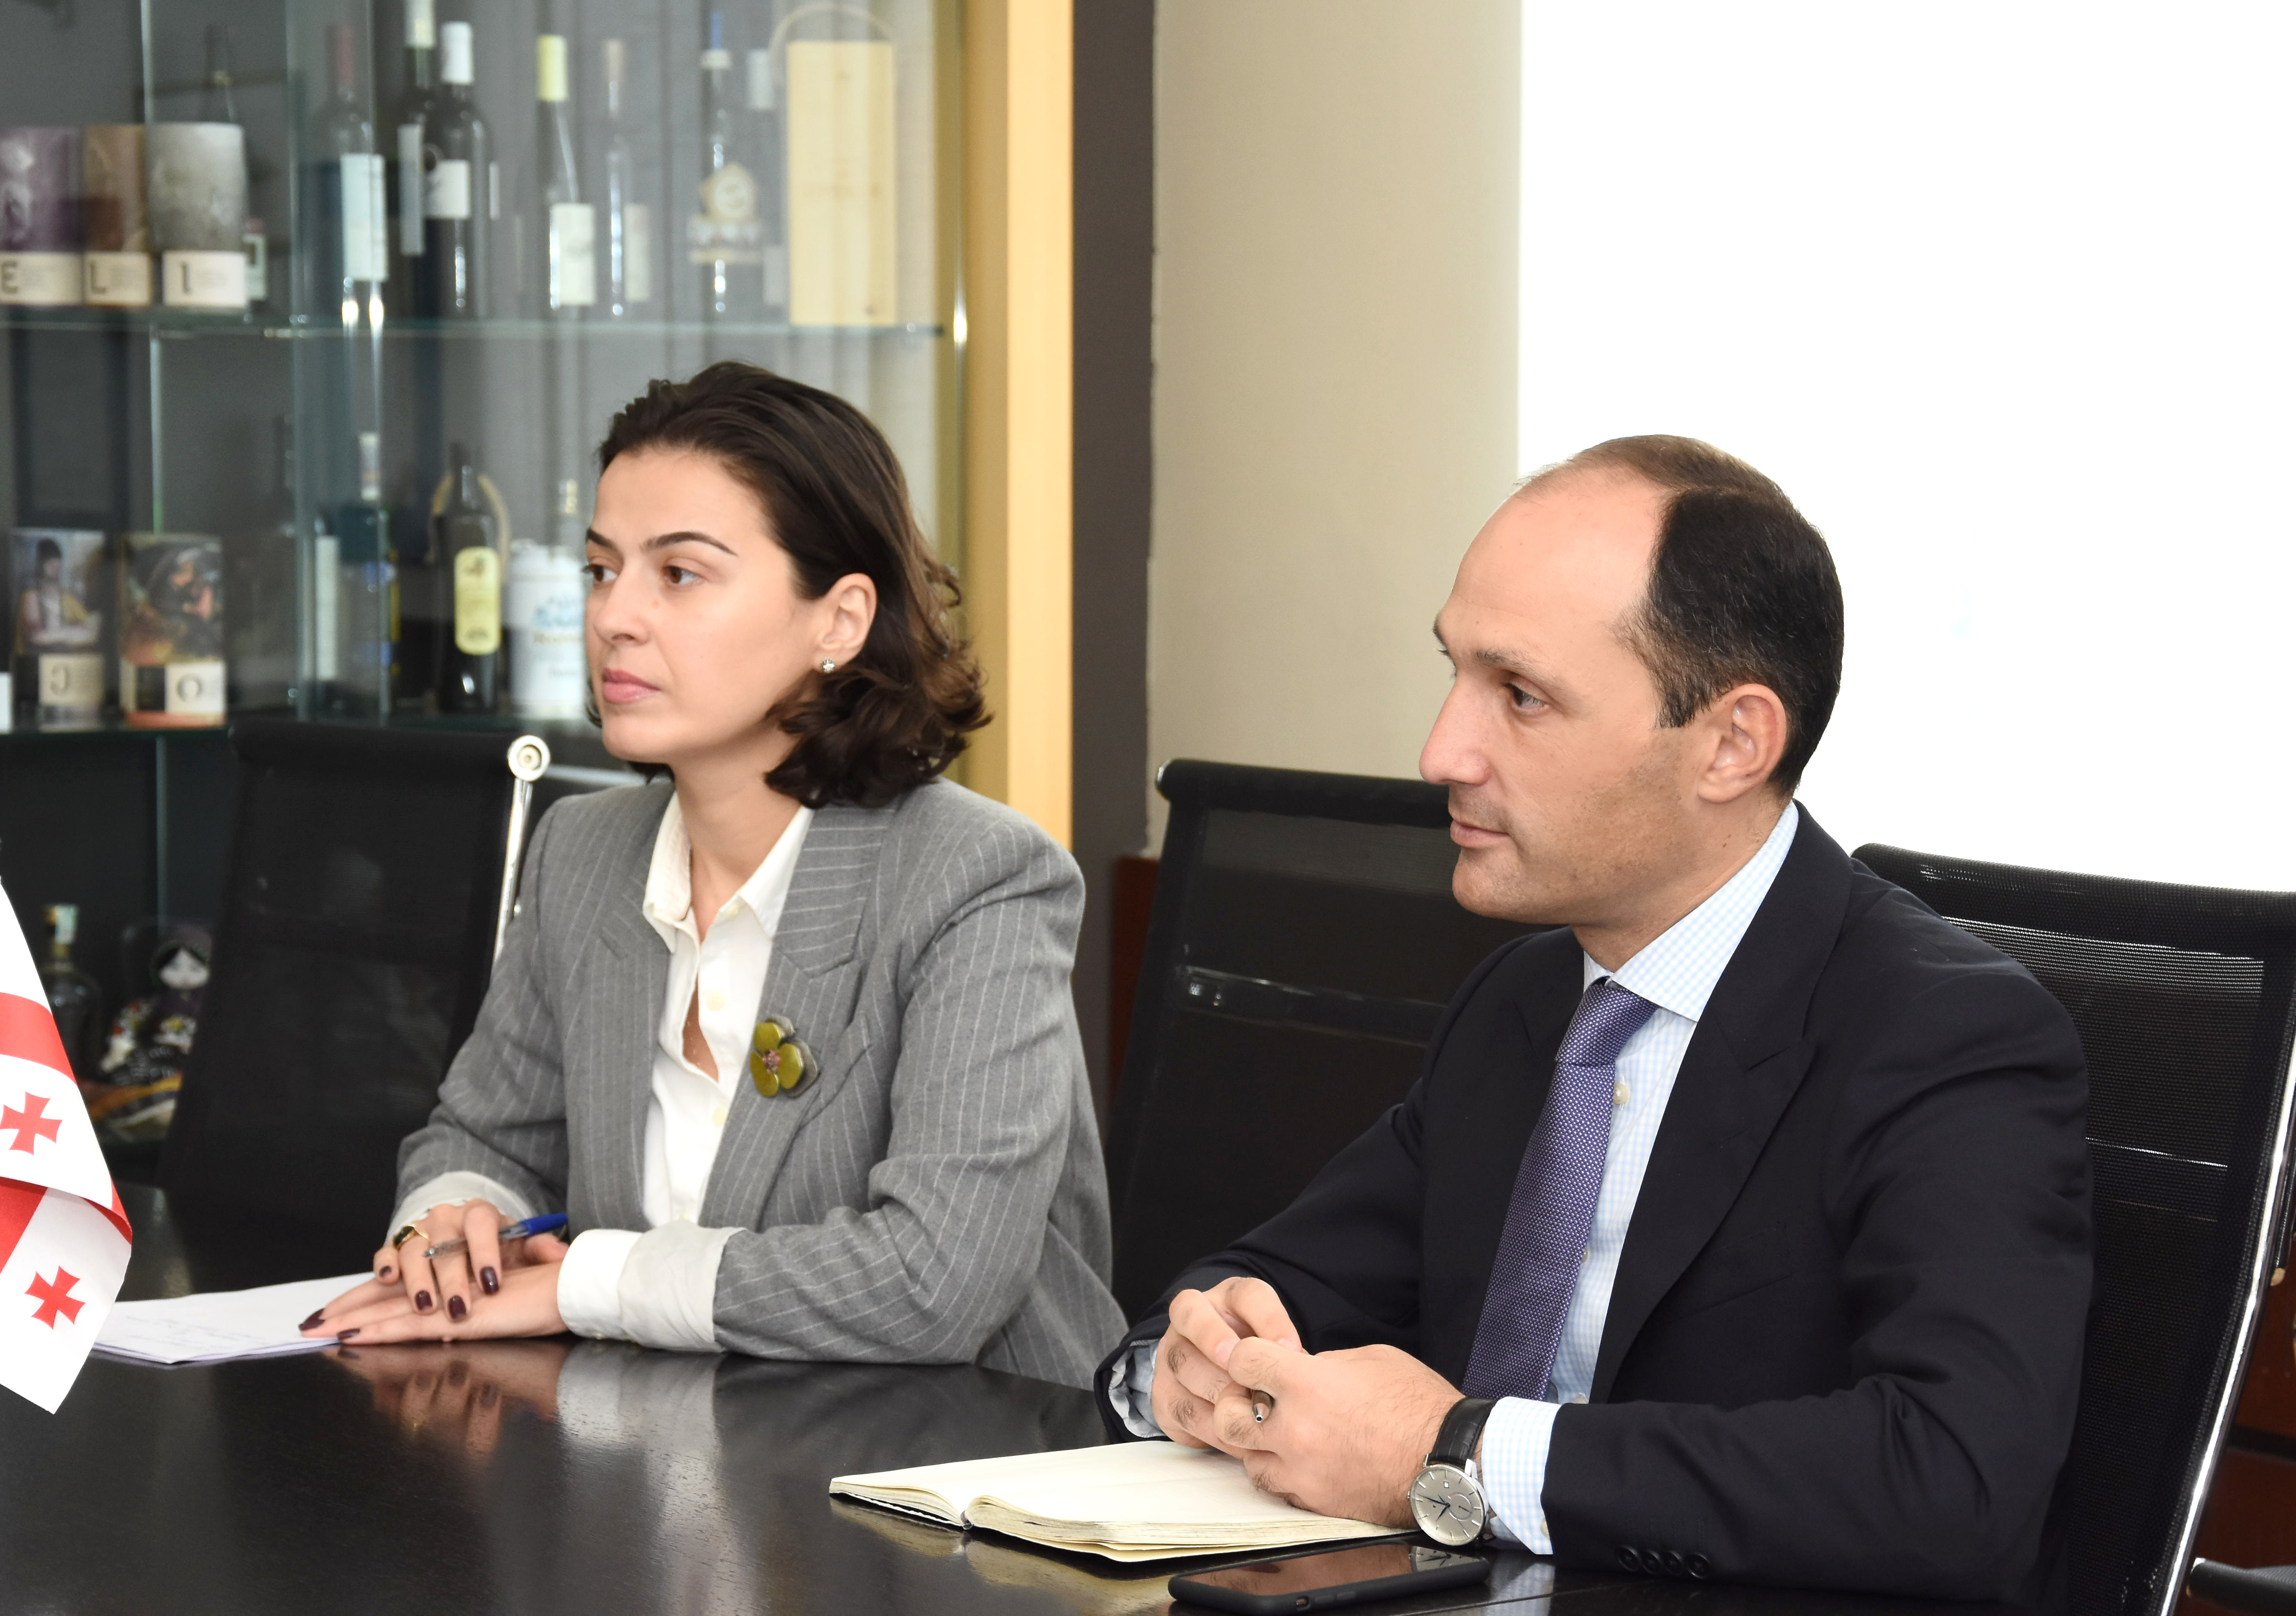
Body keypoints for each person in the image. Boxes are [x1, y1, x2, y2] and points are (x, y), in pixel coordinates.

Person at [1098, 437, 2091, 1603]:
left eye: (1520, 696)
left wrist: (1455, 1453)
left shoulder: (1944, 1035)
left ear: (1732, 743)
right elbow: (1275, 1278)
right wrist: (1194, 1364)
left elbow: (1953, 1479)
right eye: (1454, 671)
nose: (1441, 751)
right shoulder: (1523, 1000)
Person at [310, 363, 1125, 1387]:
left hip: (967, 1457)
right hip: (671, 1439)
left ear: (840, 620)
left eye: (680, 574)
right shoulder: (583, 851)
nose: (615, 616)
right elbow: (483, 1135)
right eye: (602, 569)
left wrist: (587, 1282)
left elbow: (937, 1277)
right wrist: (451, 1217)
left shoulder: (979, 877)